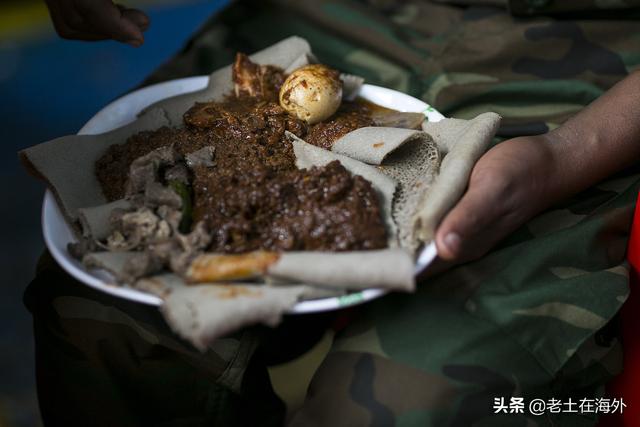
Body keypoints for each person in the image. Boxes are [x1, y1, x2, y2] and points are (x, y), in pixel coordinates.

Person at [30, 0, 640, 425]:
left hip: (595, 74)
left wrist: (566, 155)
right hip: (337, 17)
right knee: (96, 319)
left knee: (403, 398)